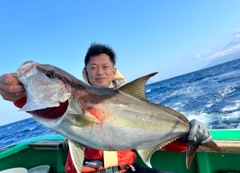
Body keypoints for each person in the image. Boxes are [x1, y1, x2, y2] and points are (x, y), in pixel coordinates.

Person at [0, 43, 212, 173]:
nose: (99, 72)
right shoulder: (76, 98)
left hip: (127, 170)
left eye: (105, 67)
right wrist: (16, 93)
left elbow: (154, 134)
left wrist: (187, 137)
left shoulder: (131, 102)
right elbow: (38, 105)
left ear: (113, 71)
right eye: (93, 67)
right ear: (86, 72)